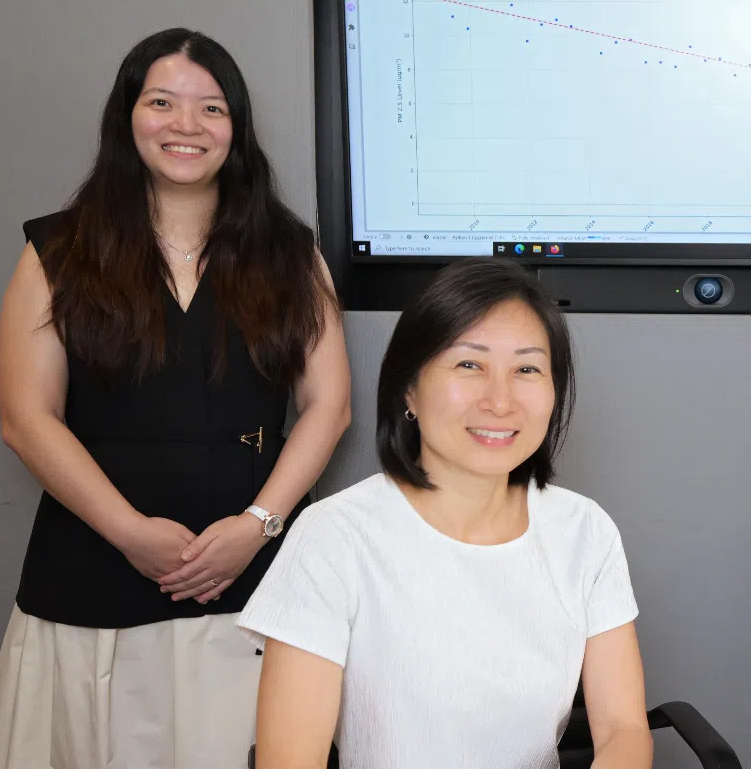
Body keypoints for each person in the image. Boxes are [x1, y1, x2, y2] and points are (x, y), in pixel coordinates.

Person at [0, 28, 351, 769]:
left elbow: (329, 405)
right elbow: (27, 420)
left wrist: (257, 525)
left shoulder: (288, 249)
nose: (187, 126)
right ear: (128, 117)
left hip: (255, 580)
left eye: (211, 109)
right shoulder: (58, 250)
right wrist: (128, 532)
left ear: (236, 130)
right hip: (93, 579)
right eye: (163, 103)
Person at [238, 258, 653, 769]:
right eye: (468, 365)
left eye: (526, 369)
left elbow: (624, 731)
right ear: (409, 389)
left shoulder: (584, 531)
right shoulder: (334, 538)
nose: (500, 402)